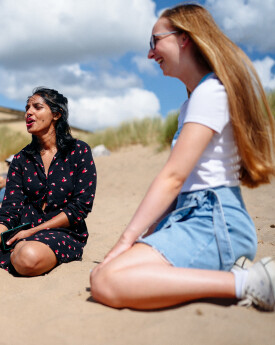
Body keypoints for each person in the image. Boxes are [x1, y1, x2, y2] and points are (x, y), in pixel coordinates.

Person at [90, 3, 275, 311]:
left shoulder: (212, 91)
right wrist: (145, 237)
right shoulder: (192, 103)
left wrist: (125, 241)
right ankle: (231, 275)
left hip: (214, 220)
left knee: (106, 281)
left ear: (184, 38)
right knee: (105, 274)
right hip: (192, 216)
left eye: (155, 41)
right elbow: (184, 182)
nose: (151, 54)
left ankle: (252, 282)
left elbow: (173, 177)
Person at [0, 87, 97, 279]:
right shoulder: (21, 159)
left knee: (25, 258)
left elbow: (79, 208)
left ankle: (19, 251)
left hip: (62, 230)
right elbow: (8, 210)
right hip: (19, 229)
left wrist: (33, 232)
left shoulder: (78, 151)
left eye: (37, 107)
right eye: (27, 107)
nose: (29, 112)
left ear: (56, 114)